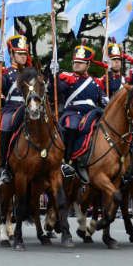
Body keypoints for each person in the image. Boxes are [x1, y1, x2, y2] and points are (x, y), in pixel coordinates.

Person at [53, 44, 105, 177]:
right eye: (75, 62)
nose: (76, 65)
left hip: (93, 114)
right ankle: (67, 161)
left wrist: (106, 99)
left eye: (80, 63)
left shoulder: (95, 83)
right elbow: (57, 90)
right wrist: (53, 75)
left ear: (88, 64)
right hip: (73, 112)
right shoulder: (67, 78)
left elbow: (101, 99)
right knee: (72, 125)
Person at [0, 34, 31, 185]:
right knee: (4, 127)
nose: (23, 57)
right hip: (11, 109)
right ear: (11, 54)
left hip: (30, 108)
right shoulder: (6, 72)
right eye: (19, 53)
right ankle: (3, 166)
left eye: (25, 53)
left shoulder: (30, 73)